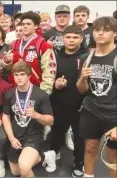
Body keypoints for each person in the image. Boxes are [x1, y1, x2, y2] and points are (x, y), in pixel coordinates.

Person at [76, 16, 117, 177]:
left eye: (106, 30)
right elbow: (81, 90)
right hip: (90, 111)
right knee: (89, 149)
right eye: (97, 30)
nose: (100, 33)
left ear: (115, 33)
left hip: (113, 115)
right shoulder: (87, 58)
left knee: (112, 157)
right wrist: (83, 78)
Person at [2, 61, 57, 177]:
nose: (19, 78)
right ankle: (45, 156)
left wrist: (37, 115)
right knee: (16, 172)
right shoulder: (9, 95)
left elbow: (51, 120)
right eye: (16, 75)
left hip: (33, 135)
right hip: (16, 135)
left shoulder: (41, 95)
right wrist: (11, 138)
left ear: (29, 76)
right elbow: (6, 117)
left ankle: (31, 158)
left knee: (24, 166)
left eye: (22, 74)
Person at [49, 25, 87, 177]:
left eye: (75, 37)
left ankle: (78, 163)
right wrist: (55, 85)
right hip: (59, 102)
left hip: (80, 104)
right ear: (62, 38)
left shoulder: (86, 57)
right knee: (56, 132)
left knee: (79, 137)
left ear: (81, 39)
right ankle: (53, 154)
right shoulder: (55, 57)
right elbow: (48, 77)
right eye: (68, 37)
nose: (71, 40)